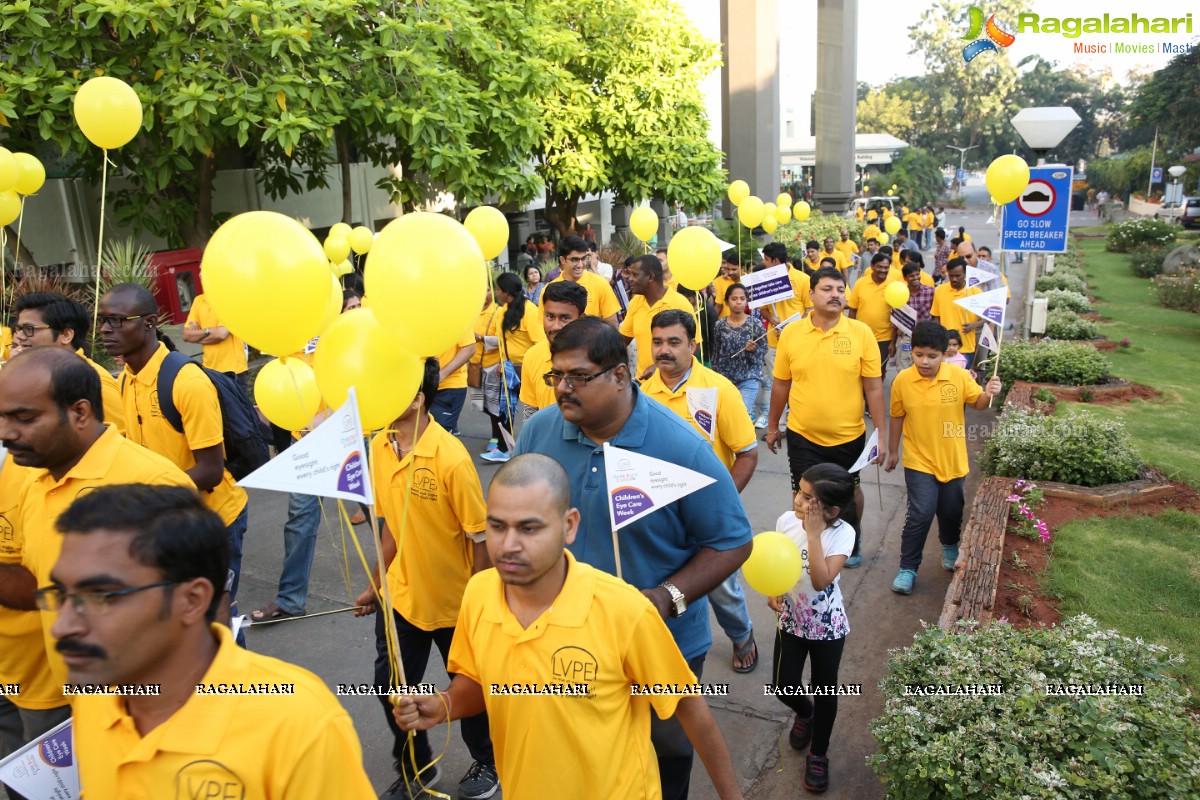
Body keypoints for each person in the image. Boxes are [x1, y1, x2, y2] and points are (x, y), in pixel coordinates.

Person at [392, 455, 745, 800]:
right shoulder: (478, 593)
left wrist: (731, 795)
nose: (509, 545)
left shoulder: (624, 609)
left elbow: (687, 705)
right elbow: (478, 680)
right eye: (497, 526)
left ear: (569, 525)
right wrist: (445, 704)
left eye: (529, 528)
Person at [514, 317, 752, 800]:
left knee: (665, 758)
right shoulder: (540, 432)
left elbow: (733, 541)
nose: (562, 388)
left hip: (663, 645)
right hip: (566, 647)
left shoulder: (681, 447)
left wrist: (666, 598)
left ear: (620, 376)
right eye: (555, 376)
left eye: (578, 377)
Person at [48, 484, 374, 798]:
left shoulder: (299, 726)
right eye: (60, 595)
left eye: (100, 597)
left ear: (192, 600)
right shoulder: (96, 696)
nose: (61, 626)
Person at [0, 349, 194, 764]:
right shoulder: (36, 482)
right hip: (73, 707)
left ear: (80, 412)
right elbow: (41, 589)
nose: (6, 433)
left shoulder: (153, 484)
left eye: (24, 418)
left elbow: (196, 615)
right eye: (2, 418)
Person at [354, 358, 498, 800]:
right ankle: (417, 765)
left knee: (467, 689)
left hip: (457, 604)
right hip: (402, 599)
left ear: (417, 399)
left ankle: (488, 762)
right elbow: (392, 528)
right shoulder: (380, 446)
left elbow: (480, 539)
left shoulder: (451, 458)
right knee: (391, 687)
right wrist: (376, 584)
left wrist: (482, 605)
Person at [98, 284, 250, 623]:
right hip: (168, 517)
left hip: (213, 519)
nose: (106, 331)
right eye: (103, 321)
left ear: (150, 323)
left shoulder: (186, 382)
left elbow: (210, 471)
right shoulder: (126, 379)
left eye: (119, 321)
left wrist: (145, 494)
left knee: (215, 619)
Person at [640, 310, 760, 673]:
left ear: (693, 345)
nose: (664, 350)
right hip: (657, 515)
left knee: (722, 590)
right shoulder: (641, 394)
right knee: (661, 586)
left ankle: (742, 636)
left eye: (674, 342)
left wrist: (722, 505)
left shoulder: (718, 389)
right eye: (658, 342)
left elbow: (747, 454)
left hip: (708, 518)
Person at [766, 267, 888, 569]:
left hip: (849, 435)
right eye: (827, 289)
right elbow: (781, 383)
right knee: (803, 495)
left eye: (840, 289)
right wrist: (772, 425)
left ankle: (852, 540)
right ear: (811, 294)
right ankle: (807, 548)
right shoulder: (792, 333)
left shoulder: (861, 333)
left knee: (846, 495)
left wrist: (881, 435)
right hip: (802, 434)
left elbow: (873, 386)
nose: (835, 294)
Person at [885, 321, 1001, 594]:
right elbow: (897, 417)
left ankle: (949, 546)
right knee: (921, 513)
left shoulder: (959, 377)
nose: (924, 361)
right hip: (919, 460)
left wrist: (988, 392)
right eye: (918, 354)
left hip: (953, 459)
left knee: (951, 510)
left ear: (944, 354)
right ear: (912, 351)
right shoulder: (902, 380)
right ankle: (908, 568)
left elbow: (978, 403)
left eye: (932, 356)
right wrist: (892, 451)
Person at [768, 464, 856, 794]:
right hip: (791, 619)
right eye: (799, 490)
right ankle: (806, 713)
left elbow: (820, 581)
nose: (797, 499)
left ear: (831, 510)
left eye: (807, 497)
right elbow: (776, 560)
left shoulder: (843, 534)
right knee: (783, 684)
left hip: (828, 627)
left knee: (825, 689)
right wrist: (772, 587)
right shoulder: (785, 521)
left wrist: (813, 533)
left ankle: (818, 754)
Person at [10, 292, 125, 433]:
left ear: (66, 335)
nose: (20, 337)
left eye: (29, 329)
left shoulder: (94, 380)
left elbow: (121, 436)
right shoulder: (34, 375)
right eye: (20, 329)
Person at [481, 272, 546, 464]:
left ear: (506, 291)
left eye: (499, 289)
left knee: (532, 411)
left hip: (528, 368)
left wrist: (532, 367)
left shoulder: (529, 310)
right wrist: (503, 362)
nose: (497, 293)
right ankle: (504, 448)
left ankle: (536, 449)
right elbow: (501, 340)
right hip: (508, 369)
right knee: (504, 410)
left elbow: (540, 342)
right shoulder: (503, 310)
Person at [753, 242, 811, 429]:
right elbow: (763, 310)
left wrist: (792, 327)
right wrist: (772, 318)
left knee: (797, 383)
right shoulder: (764, 280)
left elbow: (810, 309)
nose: (764, 262)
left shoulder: (802, 279)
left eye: (766, 259)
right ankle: (780, 425)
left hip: (799, 340)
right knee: (778, 382)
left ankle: (797, 422)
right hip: (773, 341)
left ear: (776, 260)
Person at [619, 254, 697, 380]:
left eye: (635, 275)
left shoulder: (680, 304)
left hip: (673, 385)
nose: (630, 279)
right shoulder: (635, 303)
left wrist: (658, 366)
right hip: (644, 384)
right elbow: (621, 342)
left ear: (650, 277)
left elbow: (695, 347)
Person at [519, 280, 587, 416]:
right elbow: (531, 412)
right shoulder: (532, 356)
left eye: (565, 318)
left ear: (581, 319)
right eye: (550, 316)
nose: (555, 326)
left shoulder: (598, 357)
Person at [712, 284, 766, 418]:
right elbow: (716, 352)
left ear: (747, 301)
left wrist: (754, 350)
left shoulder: (755, 324)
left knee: (743, 414)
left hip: (748, 376)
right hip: (725, 379)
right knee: (726, 416)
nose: (739, 302)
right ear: (727, 302)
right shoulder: (720, 325)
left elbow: (764, 349)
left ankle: (748, 439)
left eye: (742, 298)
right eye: (734, 298)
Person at [847, 252, 900, 381]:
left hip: (884, 339)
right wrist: (850, 334)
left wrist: (893, 342)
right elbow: (852, 311)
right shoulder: (860, 284)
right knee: (859, 370)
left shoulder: (893, 286)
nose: (883, 270)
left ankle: (871, 400)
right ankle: (863, 397)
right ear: (872, 266)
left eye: (886, 267)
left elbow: (897, 319)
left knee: (878, 372)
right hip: (861, 336)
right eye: (880, 267)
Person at [547, 236, 620, 327]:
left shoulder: (600, 283)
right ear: (562, 260)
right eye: (575, 260)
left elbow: (612, 324)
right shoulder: (550, 289)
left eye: (583, 259)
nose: (580, 265)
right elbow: (543, 327)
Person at [182, 292, 249, 391]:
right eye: (200, 275)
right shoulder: (198, 301)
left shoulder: (229, 299)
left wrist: (198, 335)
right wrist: (209, 332)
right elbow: (186, 335)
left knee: (237, 406)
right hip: (209, 370)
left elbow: (221, 334)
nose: (202, 276)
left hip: (234, 371)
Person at [931, 259, 984, 370]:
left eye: (958, 275)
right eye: (951, 276)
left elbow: (987, 318)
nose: (954, 279)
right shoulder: (940, 291)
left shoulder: (976, 292)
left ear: (965, 274)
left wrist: (973, 325)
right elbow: (936, 317)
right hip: (944, 348)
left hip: (966, 348)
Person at [894, 260, 937, 371]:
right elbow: (896, 317)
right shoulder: (899, 294)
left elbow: (937, 314)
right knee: (904, 367)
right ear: (905, 278)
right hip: (906, 338)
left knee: (923, 366)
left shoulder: (931, 292)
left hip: (926, 337)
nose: (915, 278)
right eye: (911, 276)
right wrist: (895, 335)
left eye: (917, 274)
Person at [712, 252, 742, 319]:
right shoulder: (720, 281)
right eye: (728, 269)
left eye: (734, 269)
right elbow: (718, 306)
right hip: (725, 326)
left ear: (742, 268)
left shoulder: (750, 281)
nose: (730, 272)